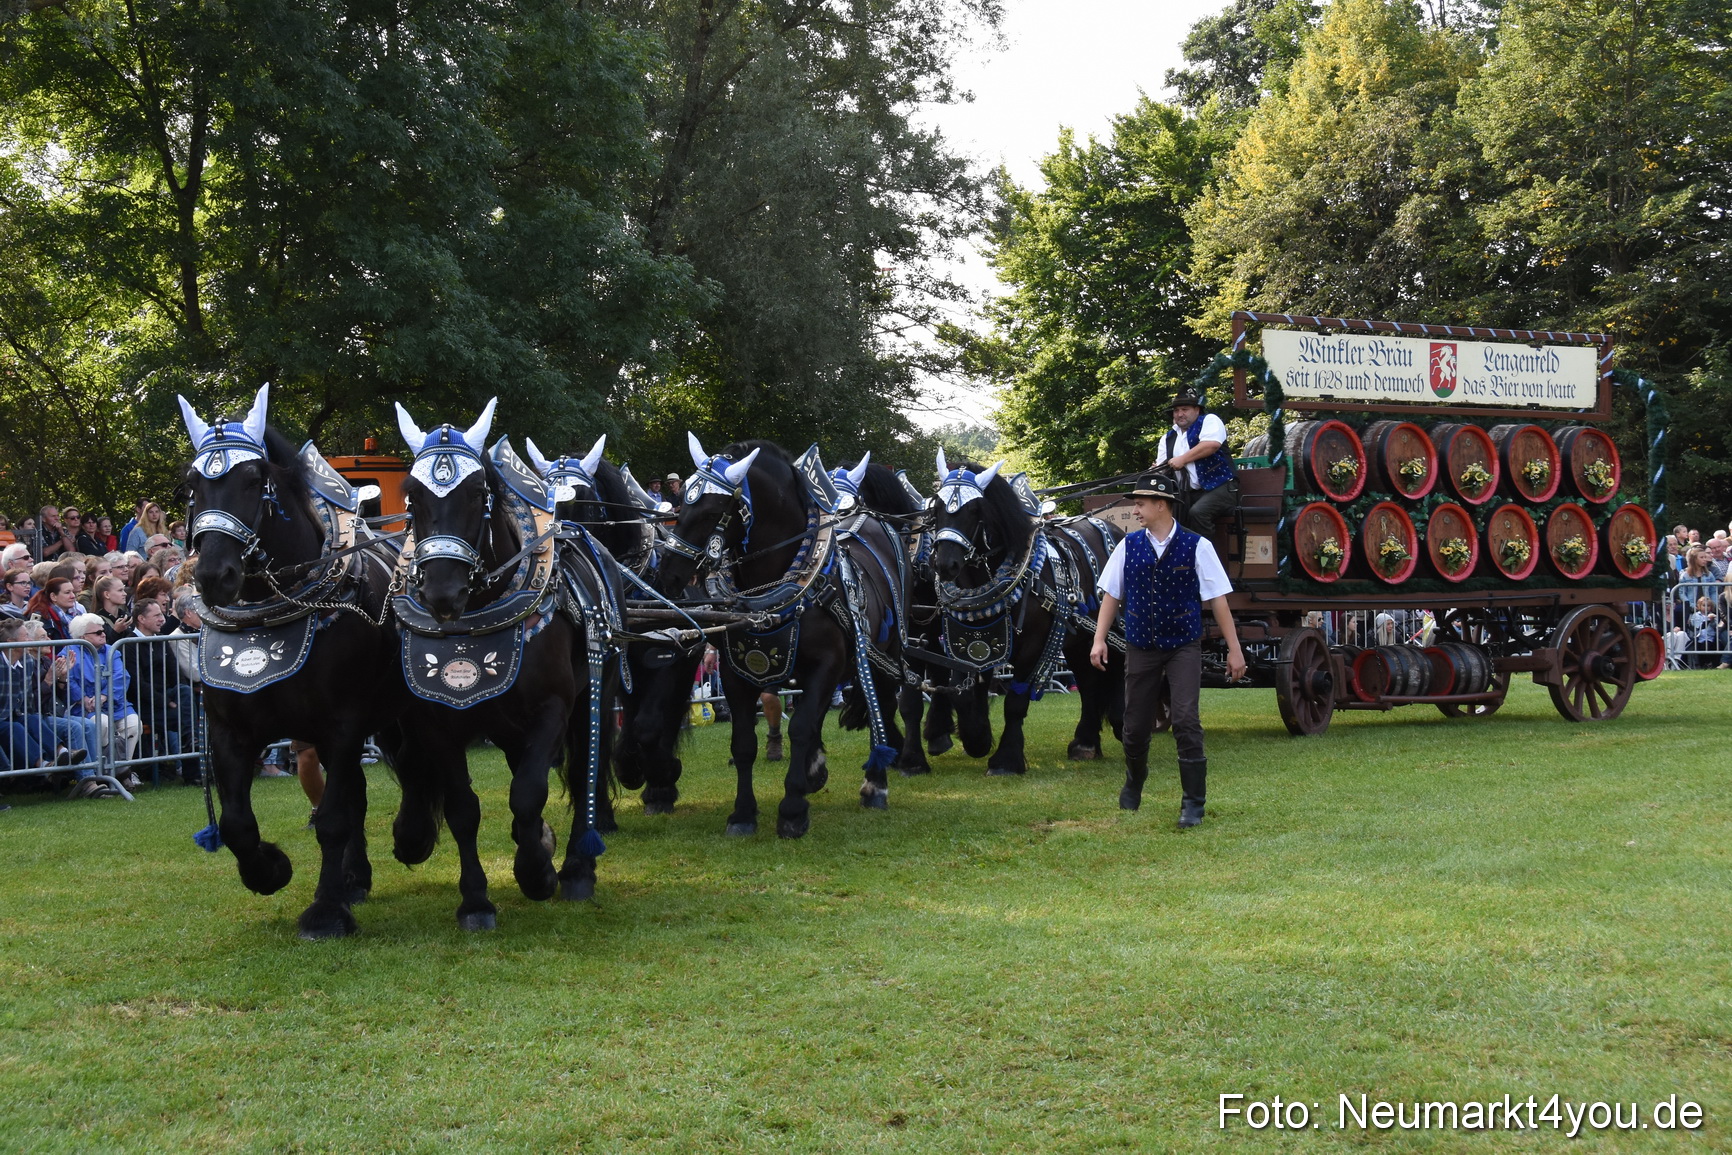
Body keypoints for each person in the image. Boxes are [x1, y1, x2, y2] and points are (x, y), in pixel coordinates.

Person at [1090, 471, 1245, 828]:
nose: (1136, 510)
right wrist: (1099, 639)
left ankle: (1193, 803)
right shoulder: (1128, 546)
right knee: (1134, 725)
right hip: (1141, 645)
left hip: (1182, 646)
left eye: (1141, 504)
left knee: (1187, 719)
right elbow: (1112, 594)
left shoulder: (1197, 546)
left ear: (1162, 505)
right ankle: (1135, 778)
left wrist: (1235, 650)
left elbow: (1218, 600)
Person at [64, 612, 142, 787]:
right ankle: (103, 773)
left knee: (133, 724)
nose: (104, 634)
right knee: (103, 724)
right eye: (98, 632)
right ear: (82, 636)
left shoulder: (111, 650)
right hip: (84, 707)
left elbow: (121, 676)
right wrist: (82, 699)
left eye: (103, 630)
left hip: (115, 703)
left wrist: (105, 696)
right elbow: (68, 679)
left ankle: (122, 770)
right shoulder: (69, 651)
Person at [1152, 390, 1238, 536]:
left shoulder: (1209, 421)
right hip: (1186, 493)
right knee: (1165, 515)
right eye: (1176, 410)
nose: (1180, 414)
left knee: (1198, 512)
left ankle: (1204, 556)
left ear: (1197, 410)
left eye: (1185, 410)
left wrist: (1182, 459)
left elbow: (1211, 445)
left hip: (1221, 488)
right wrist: (1154, 472)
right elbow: (1162, 469)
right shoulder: (1168, 438)